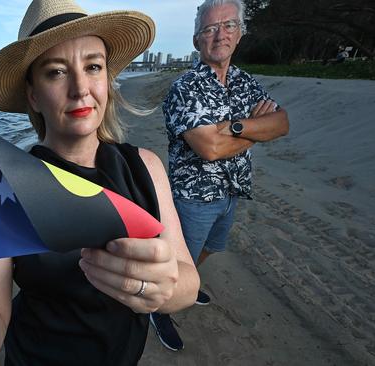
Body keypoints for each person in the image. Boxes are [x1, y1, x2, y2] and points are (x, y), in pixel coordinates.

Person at [0, 1, 200, 365]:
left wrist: (162, 290)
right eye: (56, 72)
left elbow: (188, 283)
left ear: (107, 79)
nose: (80, 88)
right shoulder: (4, 186)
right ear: (32, 94)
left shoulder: (146, 167)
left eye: (93, 67)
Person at [150, 0, 290, 352]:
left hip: (232, 191)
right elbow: (208, 149)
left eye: (228, 25)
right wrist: (255, 131)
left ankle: (188, 280)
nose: (220, 34)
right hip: (193, 196)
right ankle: (159, 309)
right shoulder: (186, 87)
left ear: (240, 33)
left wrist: (235, 127)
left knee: (212, 248)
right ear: (197, 40)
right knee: (178, 260)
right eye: (210, 29)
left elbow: (281, 123)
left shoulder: (245, 82)